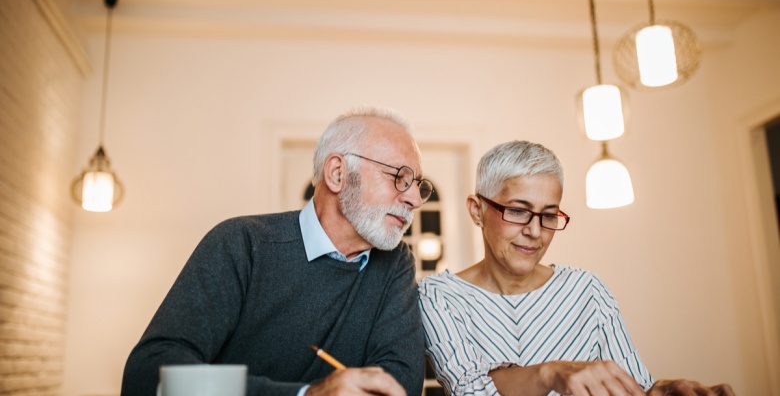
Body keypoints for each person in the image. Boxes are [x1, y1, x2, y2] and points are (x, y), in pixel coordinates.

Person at [121, 106, 434, 396]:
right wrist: (305, 394)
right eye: (399, 178)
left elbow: (397, 386)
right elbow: (149, 375)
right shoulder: (242, 244)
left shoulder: (395, 263)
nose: (415, 201)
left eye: (418, 184)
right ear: (337, 174)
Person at [418, 140, 735, 396]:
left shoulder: (587, 290)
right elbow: (471, 391)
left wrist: (663, 390)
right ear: (477, 210)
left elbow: (632, 387)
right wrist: (550, 373)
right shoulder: (439, 296)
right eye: (518, 210)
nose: (535, 231)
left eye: (549, 215)